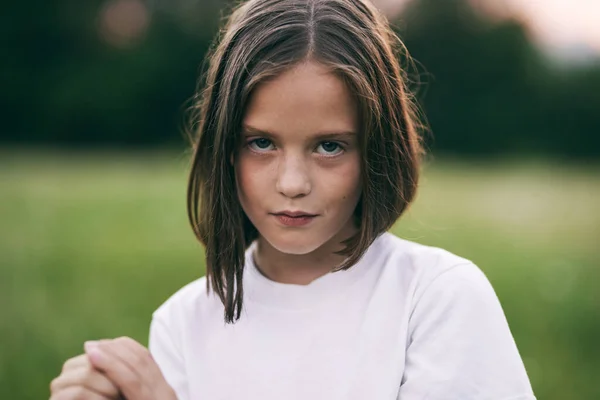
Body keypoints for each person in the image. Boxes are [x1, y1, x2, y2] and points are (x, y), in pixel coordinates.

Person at [49, 0, 537, 399]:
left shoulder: (435, 298)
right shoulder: (184, 322)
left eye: (330, 146)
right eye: (261, 143)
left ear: (377, 149)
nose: (292, 183)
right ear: (224, 148)